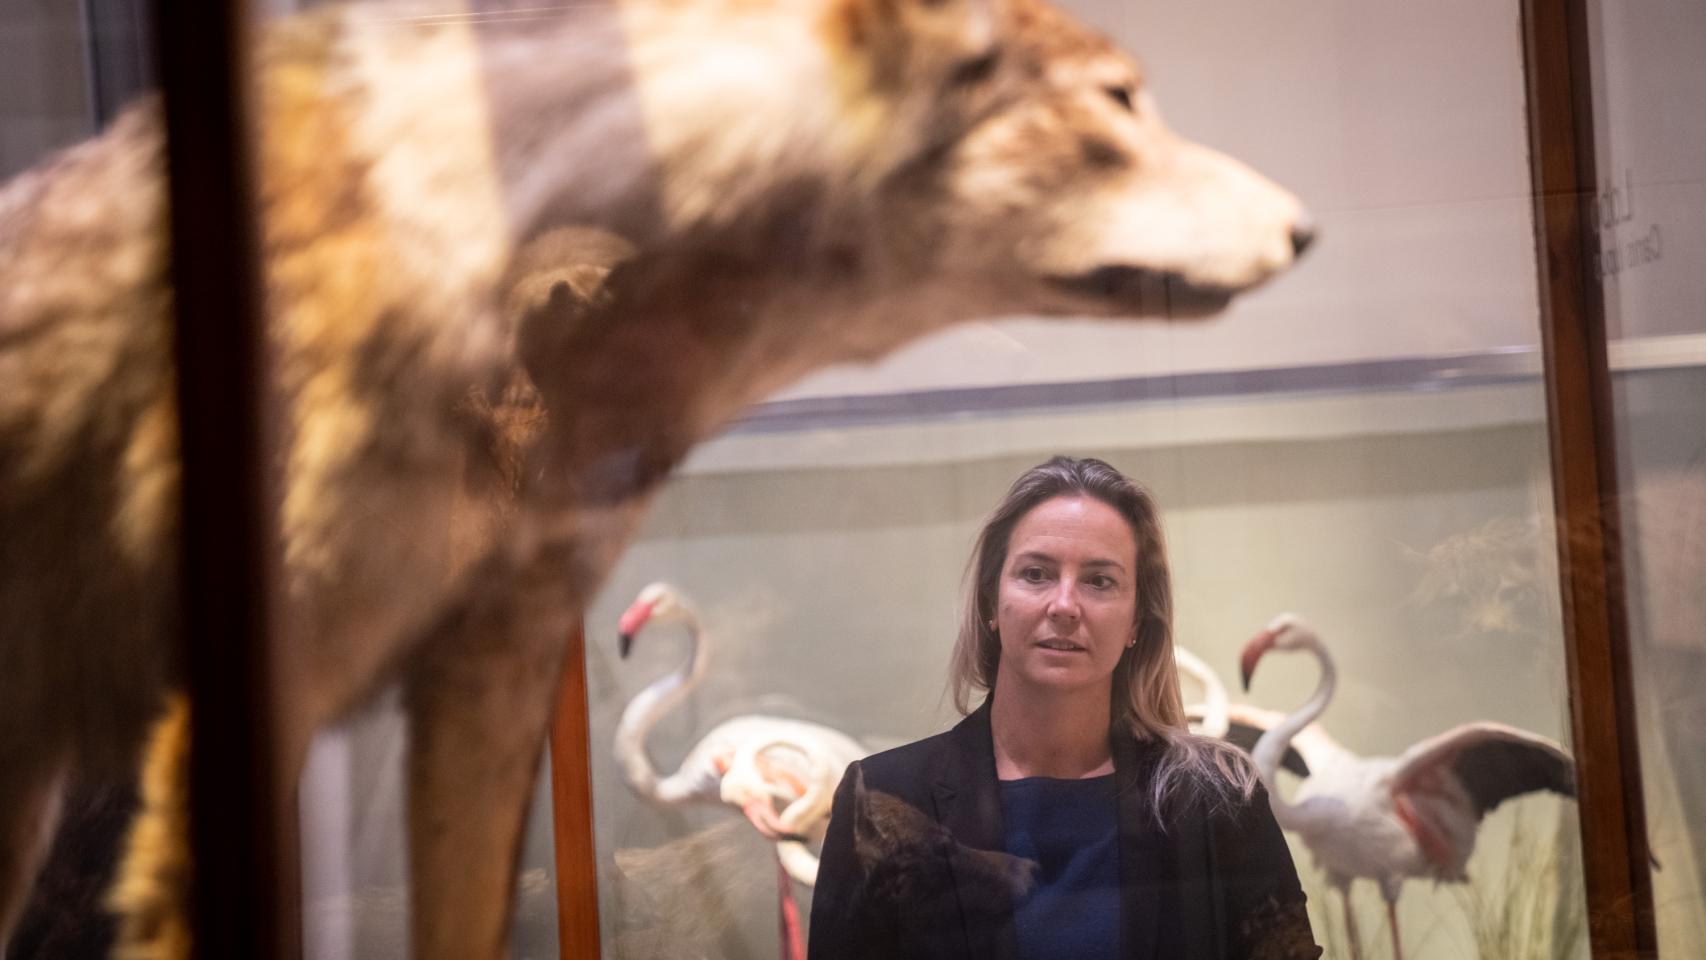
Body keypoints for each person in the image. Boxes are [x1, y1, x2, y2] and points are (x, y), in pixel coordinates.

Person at [808, 456, 1320, 960]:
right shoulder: (884, 798)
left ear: (1138, 620)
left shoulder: (1218, 803)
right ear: (990, 602)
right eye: (1036, 573)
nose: (1064, 605)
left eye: (1100, 581)